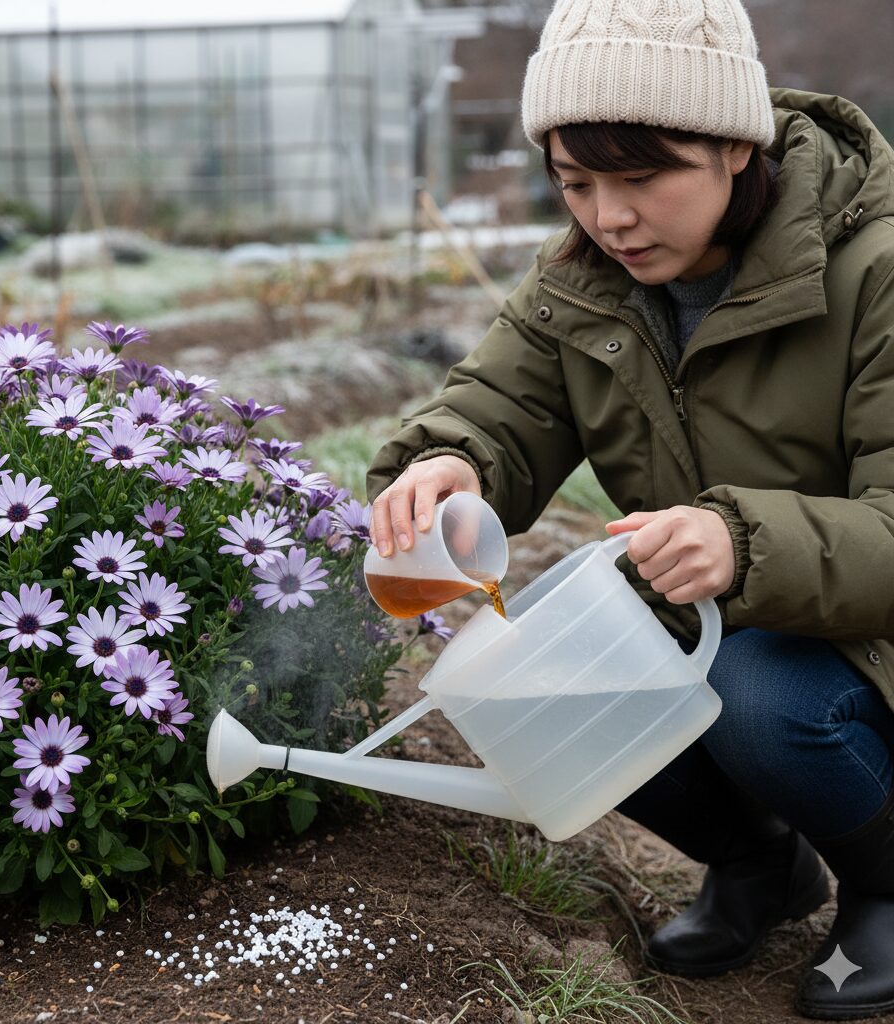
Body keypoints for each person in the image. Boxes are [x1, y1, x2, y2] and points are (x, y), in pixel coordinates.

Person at [365, 0, 894, 1018]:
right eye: (574, 182)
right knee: (540, 681)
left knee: (753, 694)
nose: (607, 217)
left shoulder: (872, 268)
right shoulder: (584, 282)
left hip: (861, 644)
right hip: (718, 615)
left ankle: (884, 881)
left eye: (641, 176)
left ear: (733, 148)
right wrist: (448, 464)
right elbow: (499, 408)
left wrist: (738, 542)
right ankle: (758, 864)